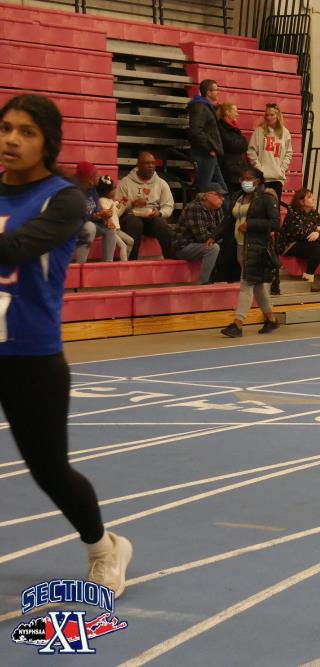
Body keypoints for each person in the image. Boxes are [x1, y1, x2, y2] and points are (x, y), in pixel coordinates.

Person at [0, 93, 132, 594]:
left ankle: (104, 548)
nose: (12, 139)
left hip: (30, 356)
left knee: (49, 470)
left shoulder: (64, 199)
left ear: (48, 142)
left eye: (26, 132)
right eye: (6, 128)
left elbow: (15, 248)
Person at [220, 168, 280, 337]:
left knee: (246, 284)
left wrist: (251, 224)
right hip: (240, 246)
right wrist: (213, 236)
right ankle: (271, 319)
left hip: (256, 247)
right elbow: (228, 220)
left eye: (249, 178)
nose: (245, 181)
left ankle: (237, 324)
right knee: (258, 286)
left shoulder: (266, 198)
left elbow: (275, 223)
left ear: (258, 181)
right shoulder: (238, 197)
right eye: (243, 178)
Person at [117, 151, 176, 260]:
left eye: (153, 163)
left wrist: (160, 213)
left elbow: (168, 205)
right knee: (134, 223)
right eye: (147, 163)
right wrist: (132, 203)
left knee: (161, 224)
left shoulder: (161, 183)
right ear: (138, 165)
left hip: (151, 217)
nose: (151, 166)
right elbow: (117, 206)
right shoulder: (125, 182)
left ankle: (172, 259)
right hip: (130, 217)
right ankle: (132, 261)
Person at [277, 188, 320, 291]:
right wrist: (317, 229)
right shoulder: (293, 213)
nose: (313, 199)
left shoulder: (314, 213)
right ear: (301, 201)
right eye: (309, 197)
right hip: (290, 244)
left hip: (306, 242)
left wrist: (317, 233)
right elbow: (299, 233)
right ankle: (308, 279)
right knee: (318, 248)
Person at [246, 103, 293, 203]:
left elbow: (288, 153)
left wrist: (282, 169)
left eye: (271, 115)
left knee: (274, 208)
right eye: (267, 115)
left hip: (277, 178)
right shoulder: (259, 131)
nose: (268, 117)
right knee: (260, 206)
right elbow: (251, 151)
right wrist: (259, 169)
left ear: (278, 115)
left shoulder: (285, 133)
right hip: (262, 178)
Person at [188, 79, 226, 194]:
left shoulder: (205, 107)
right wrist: (209, 148)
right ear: (208, 92)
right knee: (204, 188)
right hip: (204, 154)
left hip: (208, 154)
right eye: (216, 90)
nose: (218, 92)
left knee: (222, 190)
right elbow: (196, 131)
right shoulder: (200, 106)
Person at [94, 175, 133, 262]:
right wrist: (117, 204)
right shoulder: (101, 201)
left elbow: (117, 214)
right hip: (111, 229)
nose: (115, 191)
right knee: (123, 246)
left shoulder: (111, 201)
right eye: (113, 189)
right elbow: (108, 213)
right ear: (106, 191)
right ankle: (124, 264)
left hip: (117, 229)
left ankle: (126, 259)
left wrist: (123, 205)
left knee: (131, 241)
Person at [216, 102, 248, 193]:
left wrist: (242, 143)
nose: (237, 114)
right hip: (228, 168)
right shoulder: (221, 127)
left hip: (235, 168)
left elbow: (243, 145)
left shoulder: (232, 127)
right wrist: (242, 142)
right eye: (235, 111)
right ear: (227, 112)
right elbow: (231, 145)